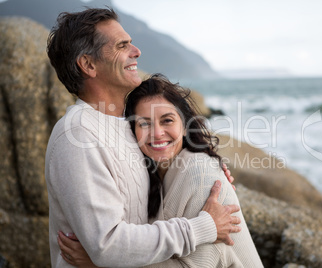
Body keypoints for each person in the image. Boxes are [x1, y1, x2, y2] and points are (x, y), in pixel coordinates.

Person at [45, 7, 241, 267]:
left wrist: (210, 171)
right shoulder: (78, 135)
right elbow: (108, 246)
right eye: (122, 45)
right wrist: (201, 228)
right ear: (89, 65)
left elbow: (155, 181)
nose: (136, 52)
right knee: (220, 252)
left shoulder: (124, 125)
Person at [59, 74, 264, 267]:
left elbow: (200, 263)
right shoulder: (150, 173)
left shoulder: (199, 175)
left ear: (185, 126)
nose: (157, 133)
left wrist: (99, 264)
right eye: (144, 123)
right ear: (132, 133)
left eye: (167, 120)